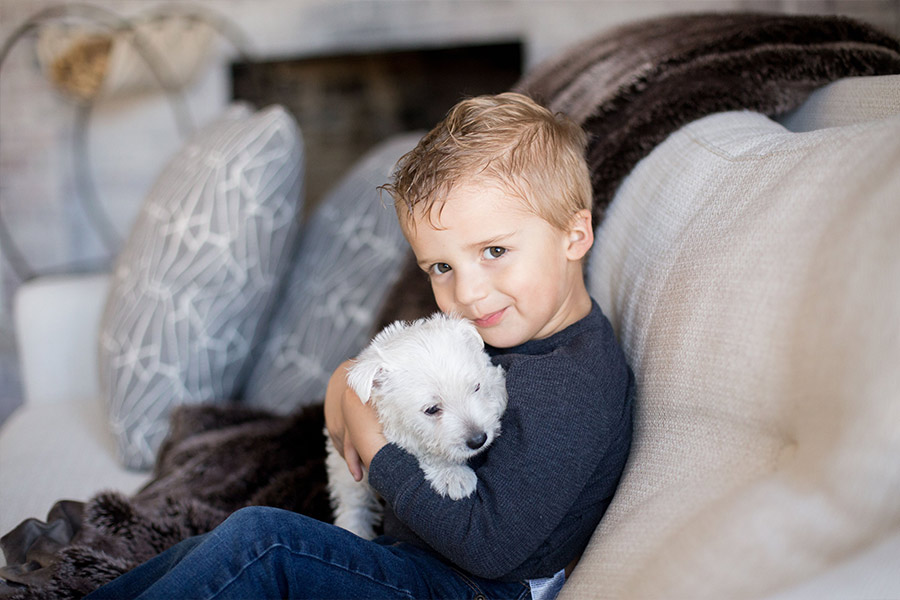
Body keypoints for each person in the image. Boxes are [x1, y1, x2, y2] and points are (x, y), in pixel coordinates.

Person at [87, 92, 634, 600]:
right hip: (419, 560)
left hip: (471, 587)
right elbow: (385, 383)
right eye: (441, 267)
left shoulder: (573, 382)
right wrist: (342, 388)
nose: (466, 292)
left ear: (574, 235)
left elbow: (488, 548)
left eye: (494, 250)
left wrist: (374, 448)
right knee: (210, 549)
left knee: (267, 543)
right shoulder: (500, 328)